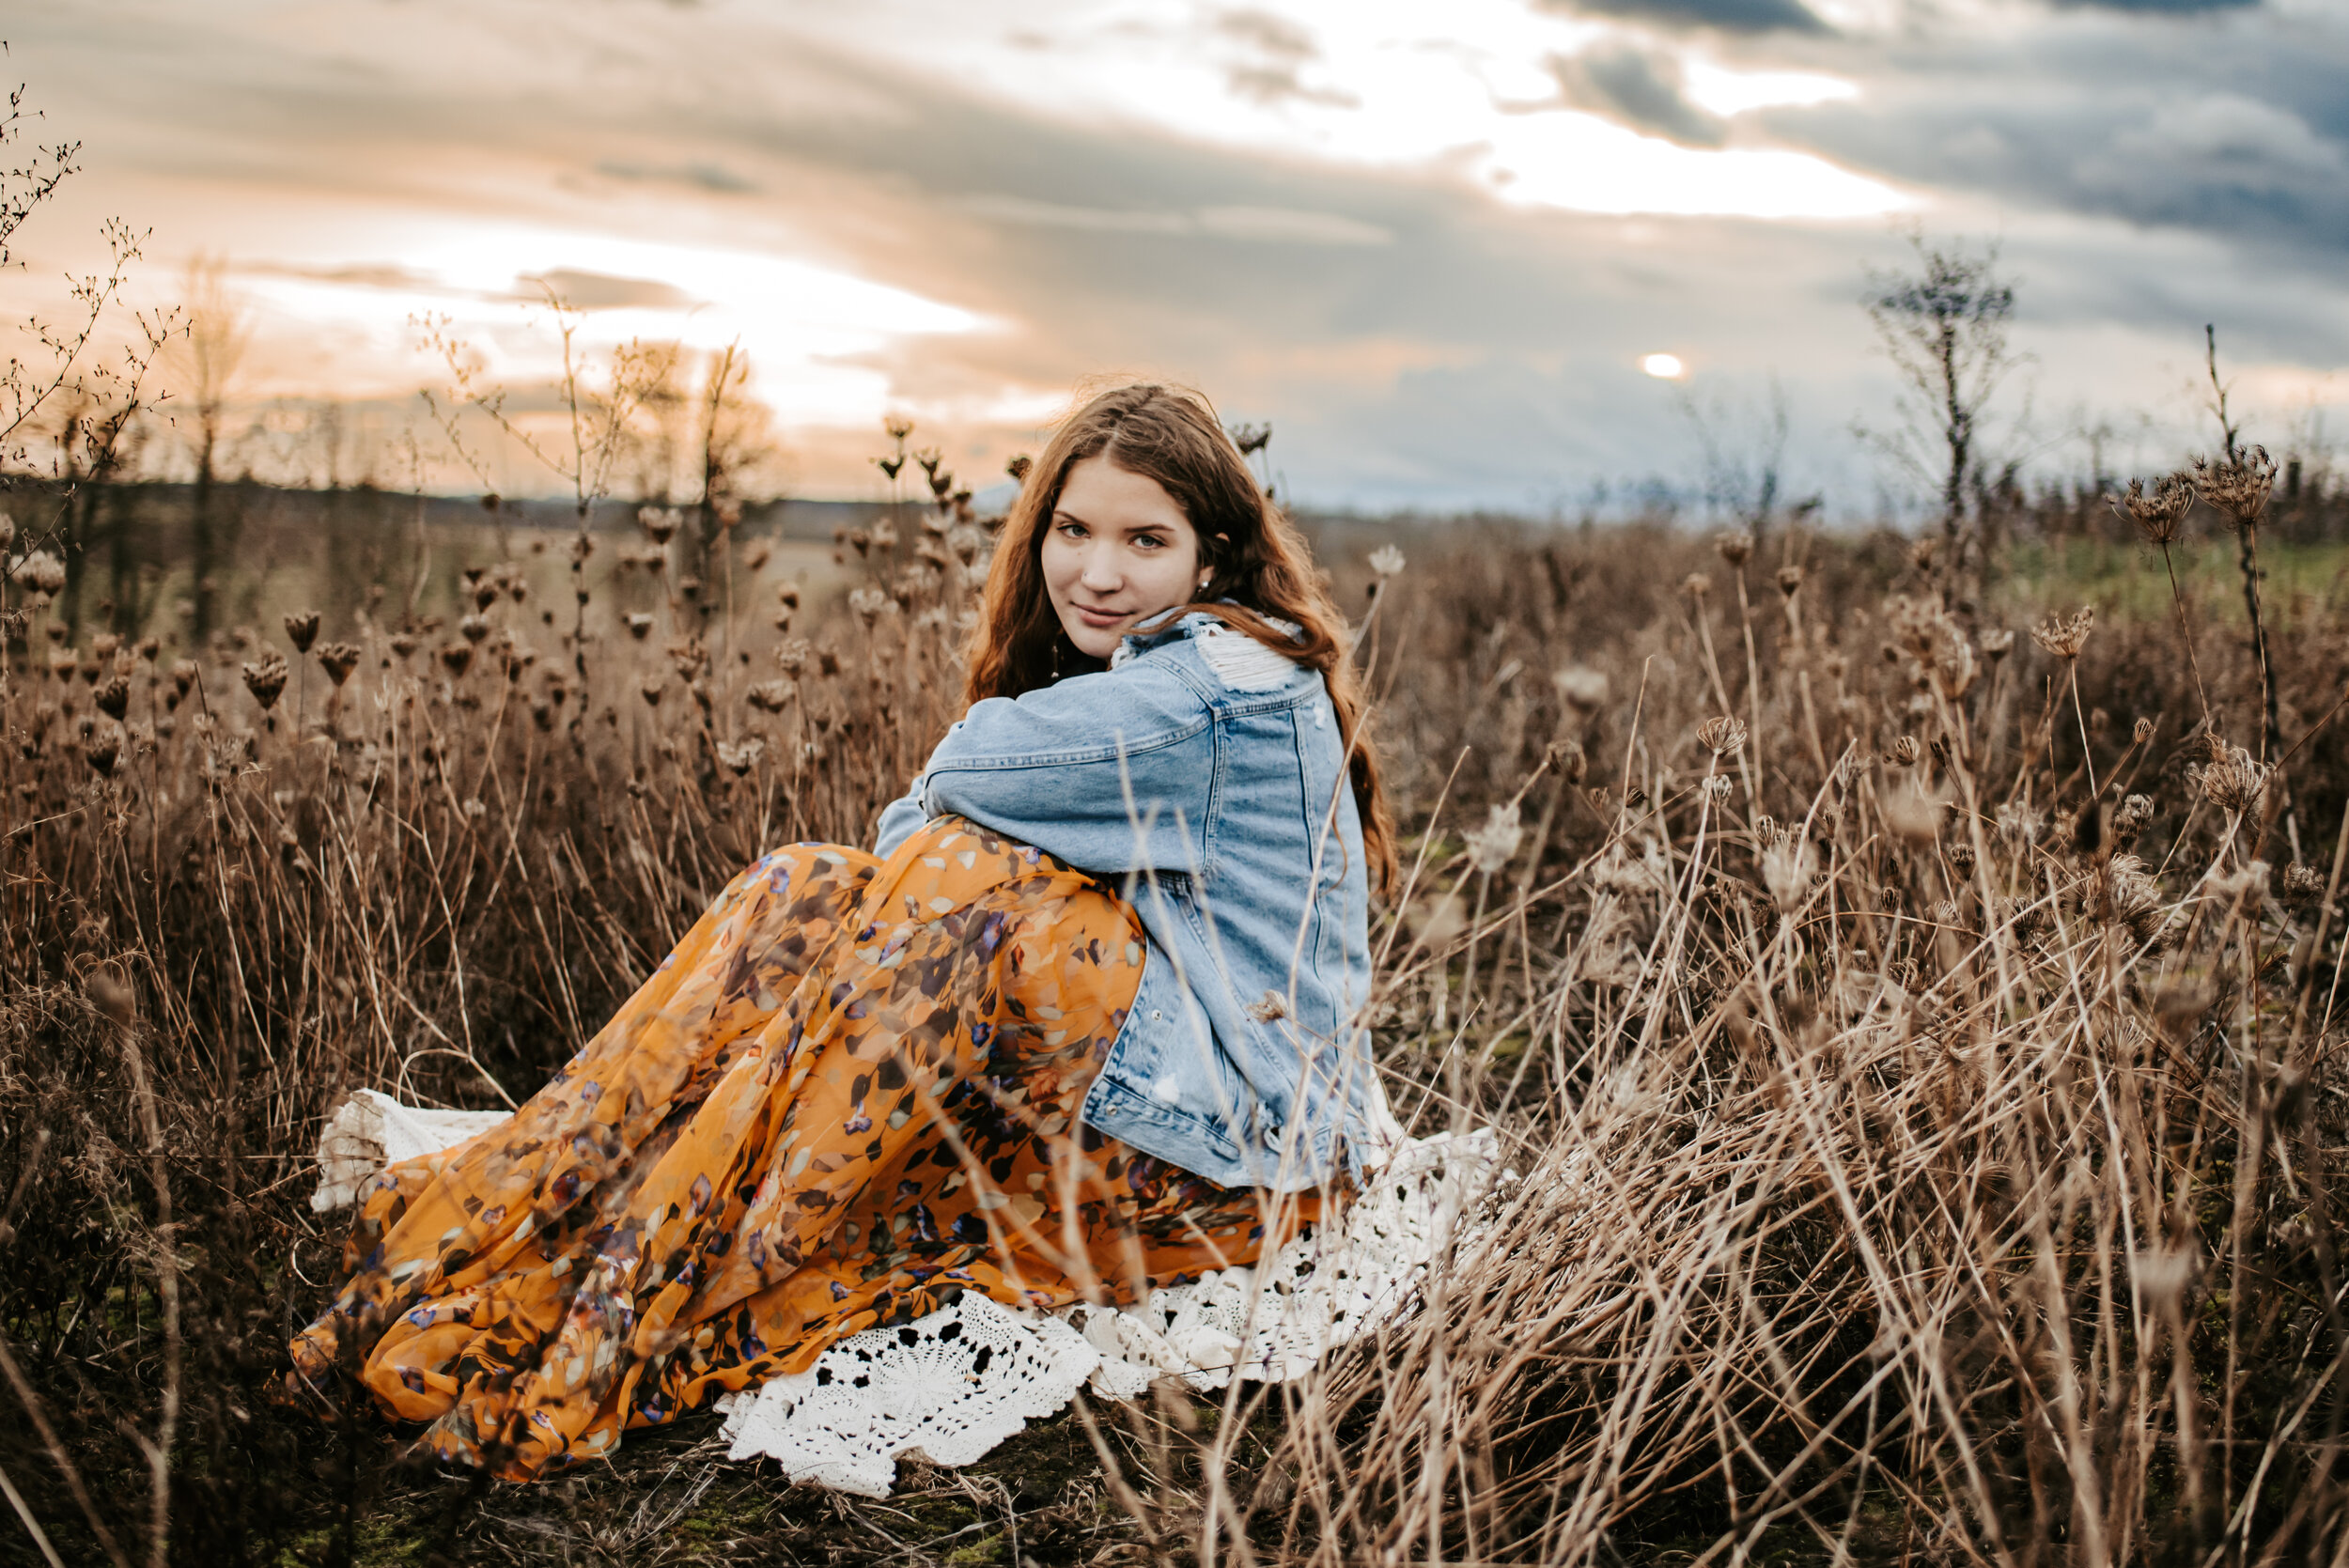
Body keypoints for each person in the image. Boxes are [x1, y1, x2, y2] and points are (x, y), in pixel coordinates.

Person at [288, 381, 1401, 1481]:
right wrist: (922, 875)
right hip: (1159, 1110)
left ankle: (647, 1280)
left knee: (952, 875)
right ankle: (613, 1208)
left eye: (1143, 538)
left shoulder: (1214, 690)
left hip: (1243, 1167)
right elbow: (913, 842)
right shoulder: (1176, 661)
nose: (1097, 571)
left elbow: (957, 783)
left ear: (1209, 555)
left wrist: (944, 861)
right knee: (807, 885)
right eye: (1072, 529)